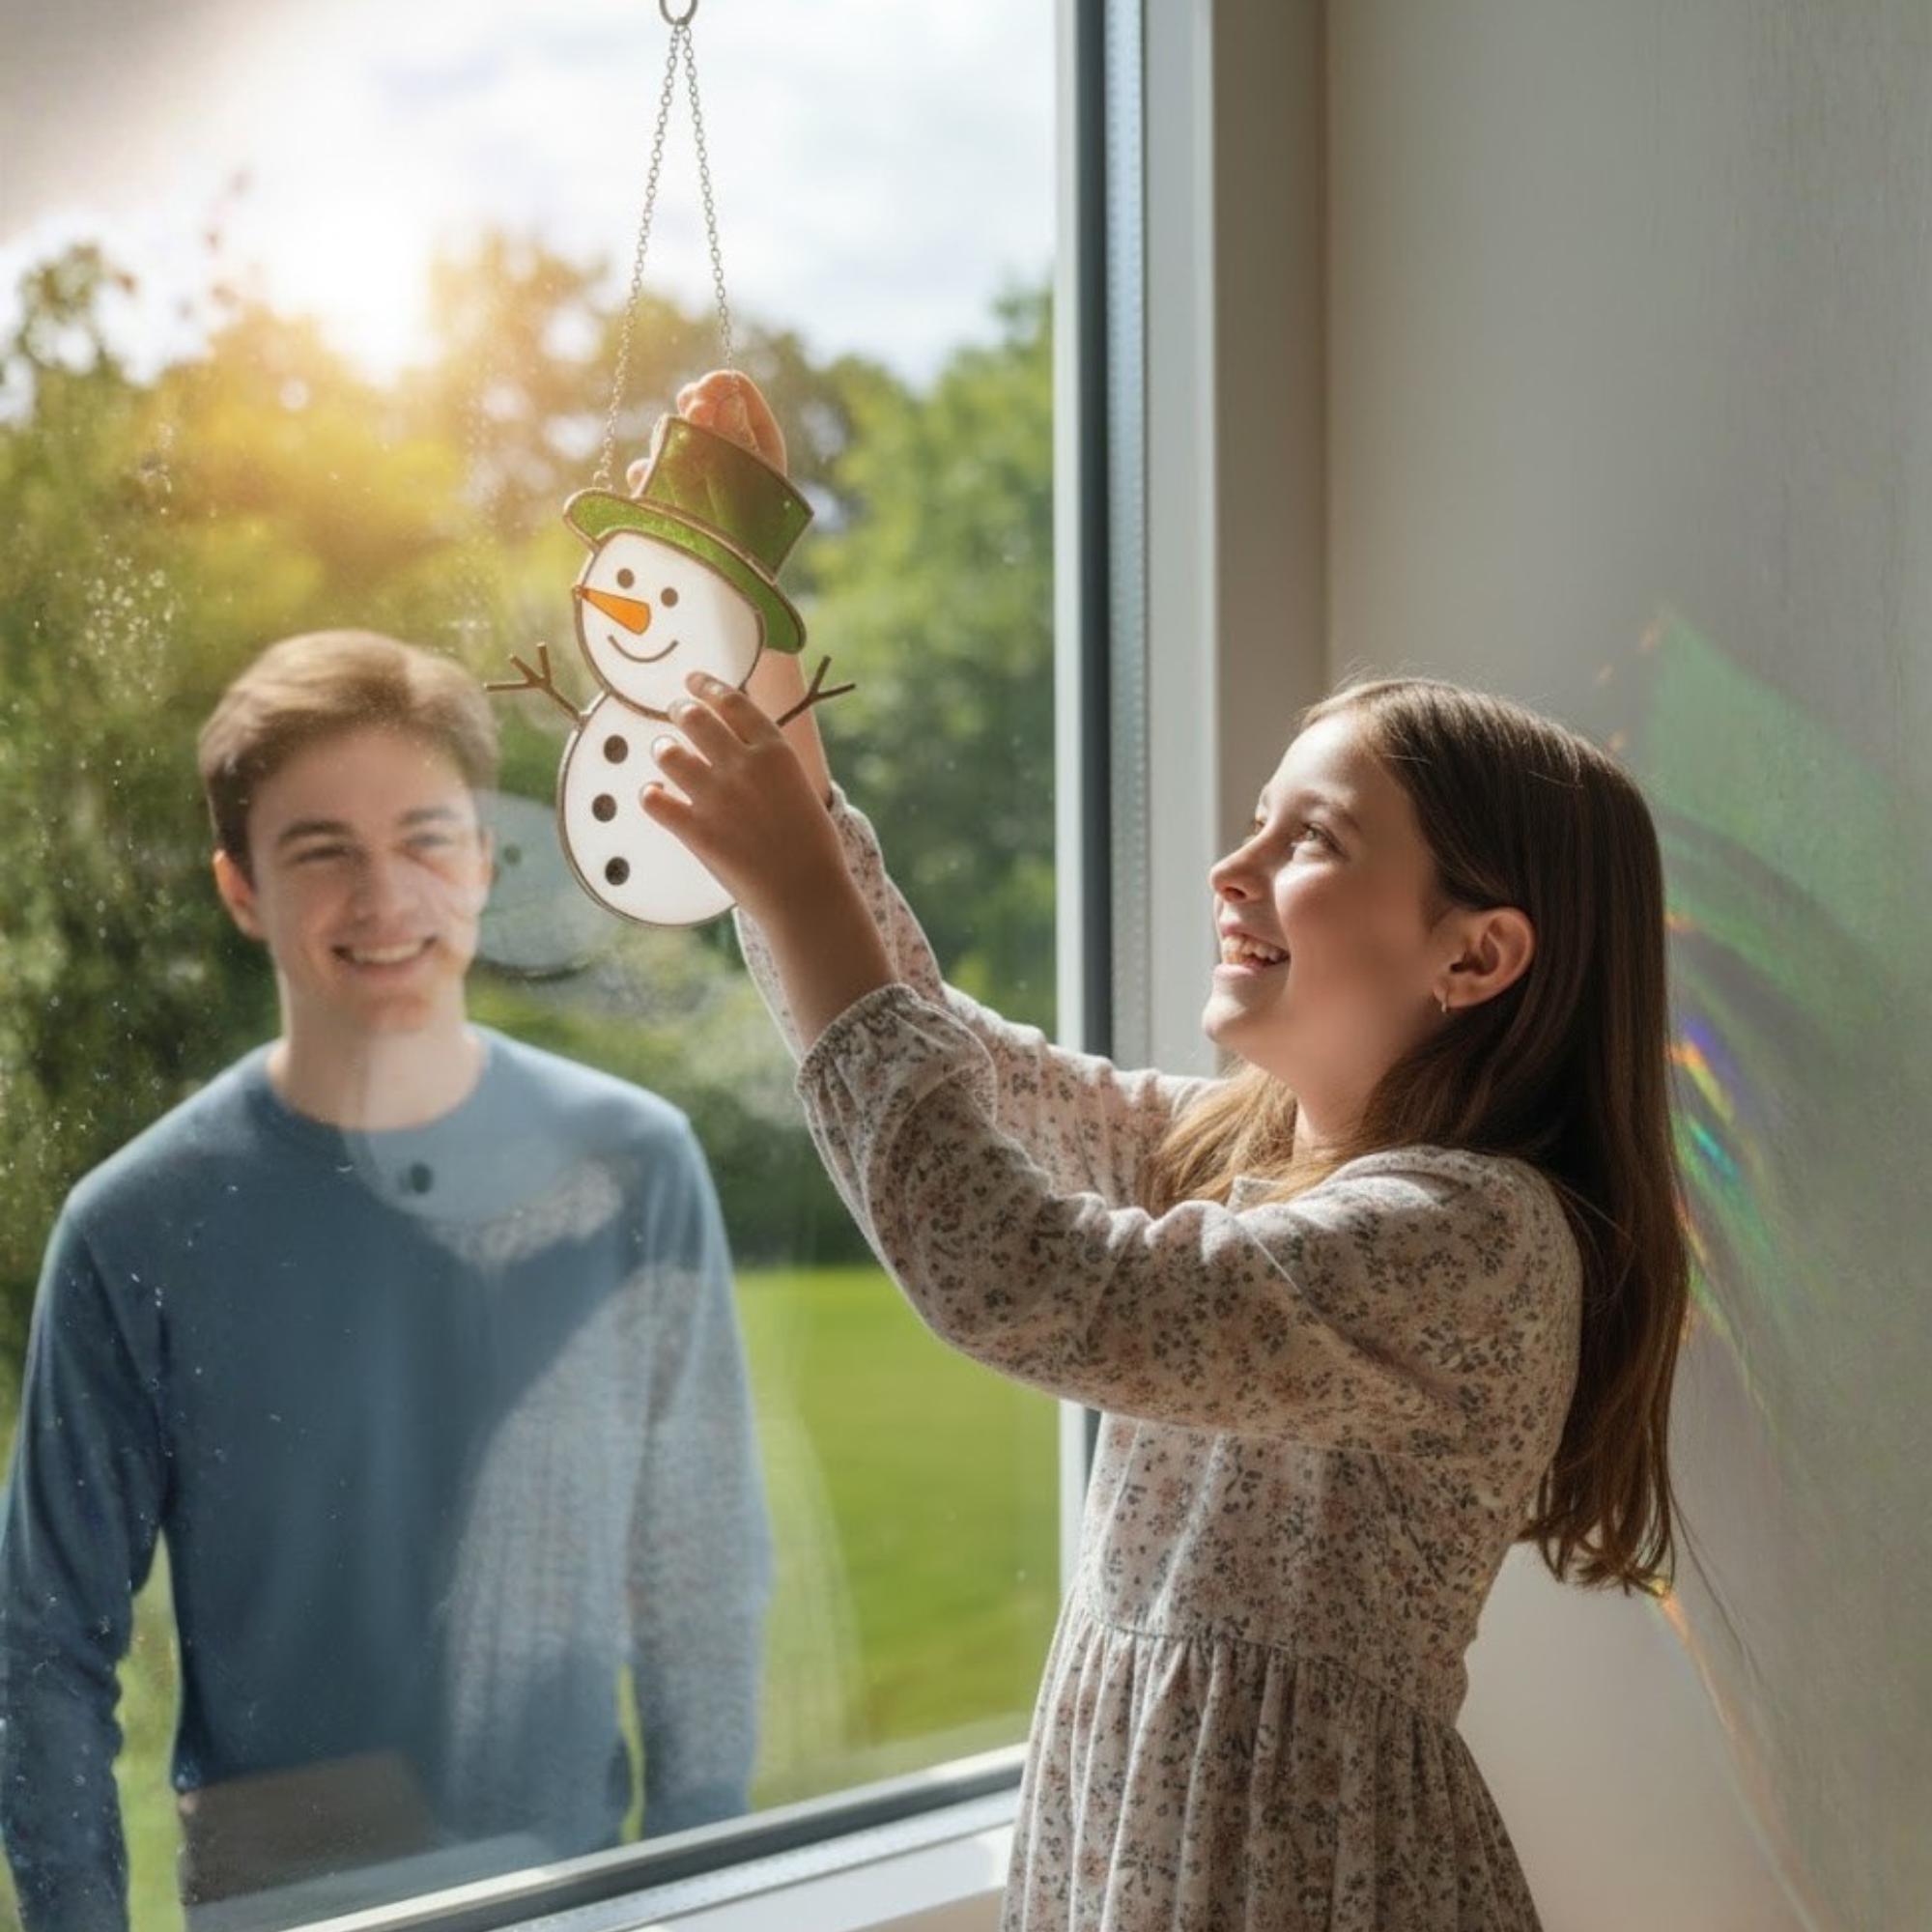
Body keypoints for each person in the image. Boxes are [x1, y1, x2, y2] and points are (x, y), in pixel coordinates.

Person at [646, 369, 1689, 1930]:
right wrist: (754, 641)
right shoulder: (1235, 1152)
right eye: (1260, 818)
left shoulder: (1476, 1241)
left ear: (1474, 957)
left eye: (1311, 837)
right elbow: (944, 1054)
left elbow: (1029, 1280)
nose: (1232, 865)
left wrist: (800, 887)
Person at [0, 630, 773, 1931]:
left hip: (575, 1901)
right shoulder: (134, 1227)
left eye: (427, 841)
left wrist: (695, 1900)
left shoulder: (637, 1166)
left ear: (482, 859)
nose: (385, 899)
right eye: (322, 853)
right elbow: (43, 1647)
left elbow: (701, 1580)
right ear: (241, 889)